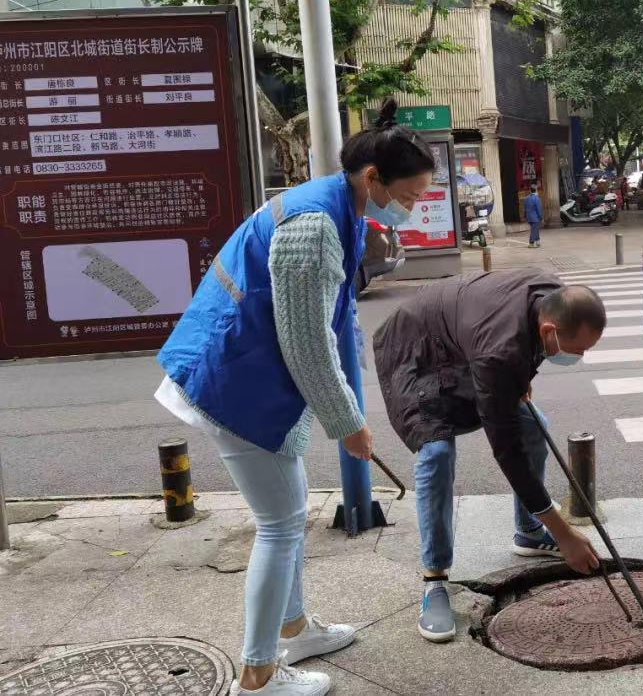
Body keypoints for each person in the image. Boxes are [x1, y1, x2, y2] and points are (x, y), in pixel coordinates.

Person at [155, 99, 434, 696]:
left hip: (247, 371)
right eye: (409, 195)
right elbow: (305, 343)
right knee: (279, 525)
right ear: (372, 178)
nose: (411, 207)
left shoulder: (342, 203)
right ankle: (258, 674)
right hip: (233, 382)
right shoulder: (313, 226)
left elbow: (326, 320)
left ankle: (296, 627)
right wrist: (347, 422)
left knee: (288, 510)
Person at [373, 272, 606, 643]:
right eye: (577, 350)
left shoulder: (549, 293)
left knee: (534, 423)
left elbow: (523, 351)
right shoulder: (500, 352)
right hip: (412, 349)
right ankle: (434, 580)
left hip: (464, 341)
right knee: (436, 452)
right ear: (549, 331)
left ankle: (528, 532)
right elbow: (506, 450)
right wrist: (564, 533)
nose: (580, 356)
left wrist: (523, 374)